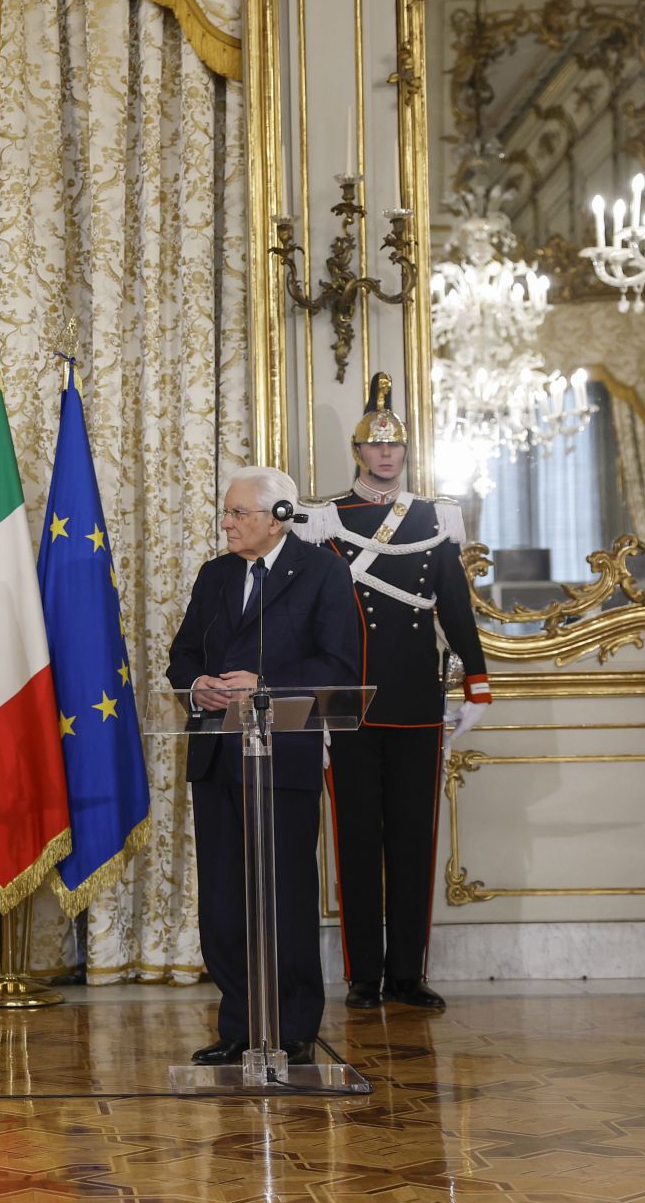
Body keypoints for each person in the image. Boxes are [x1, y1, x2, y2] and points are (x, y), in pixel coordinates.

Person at [166, 465, 361, 1066]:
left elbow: (341, 668)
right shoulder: (215, 575)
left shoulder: (323, 572)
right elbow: (183, 655)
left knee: (285, 896)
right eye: (225, 513)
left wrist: (266, 685)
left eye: (237, 514)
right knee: (224, 900)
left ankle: (294, 1026)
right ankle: (239, 1025)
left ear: (278, 519)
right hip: (219, 756)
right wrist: (197, 684)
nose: (226, 523)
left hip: (283, 759)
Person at [319, 372, 489, 1012]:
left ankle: (408, 975)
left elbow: (455, 608)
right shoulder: (327, 520)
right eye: (375, 445)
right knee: (357, 839)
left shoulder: (434, 518)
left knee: (414, 840)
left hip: (418, 701)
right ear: (359, 452)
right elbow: (318, 617)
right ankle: (364, 975)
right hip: (352, 705)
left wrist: (476, 684)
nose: (386, 455)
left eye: (395, 447)